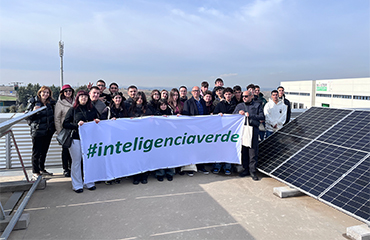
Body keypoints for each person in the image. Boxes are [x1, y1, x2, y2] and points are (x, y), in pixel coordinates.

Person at [63, 90, 100, 193]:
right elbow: (65, 124)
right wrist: (77, 125)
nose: (83, 98)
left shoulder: (92, 109)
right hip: (76, 139)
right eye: (81, 96)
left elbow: (98, 119)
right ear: (78, 98)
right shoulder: (73, 110)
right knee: (76, 161)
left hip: (89, 139)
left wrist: (96, 121)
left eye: (85, 96)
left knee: (88, 161)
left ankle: (89, 182)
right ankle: (77, 184)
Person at [26, 86, 56, 181]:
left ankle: (42, 169)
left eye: (47, 93)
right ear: (40, 93)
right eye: (44, 92)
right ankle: (35, 171)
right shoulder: (33, 102)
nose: (46, 94)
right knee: (36, 152)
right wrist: (34, 112)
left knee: (44, 151)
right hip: (38, 132)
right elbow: (27, 116)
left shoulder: (50, 103)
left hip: (48, 131)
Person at [233, 90, 264, 181]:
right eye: (243, 96)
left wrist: (250, 115)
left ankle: (252, 171)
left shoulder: (257, 105)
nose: (244, 98)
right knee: (244, 151)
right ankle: (245, 169)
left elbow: (262, 117)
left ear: (251, 96)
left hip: (253, 130)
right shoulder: (240, 106)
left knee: (253, 152)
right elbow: (233, 115)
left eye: (246, 96)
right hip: (242, 131)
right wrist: (238, 113)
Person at [183, 86, 209, 175]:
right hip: (192, 129)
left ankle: (201, 166)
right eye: (194, 91)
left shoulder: (202, 102)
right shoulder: (188, 102)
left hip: (202, 129)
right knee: (192, 149)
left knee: (201, 148)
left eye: (198, 91)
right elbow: (186, 116)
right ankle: (190, 168)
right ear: (192, 92)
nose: (196, 92)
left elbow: (206, 114)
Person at [128, 91, 153, 184]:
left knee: (145, 157)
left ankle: (144, 176)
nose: (139, 100)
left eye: (141, 99)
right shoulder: (131, 109)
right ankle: (136, 176)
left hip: (145, 137)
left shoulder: (148, 109)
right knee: (135, 157)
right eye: (138, 98)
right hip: (134, 137)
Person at [212, 87, 236, 175]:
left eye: (229, 94)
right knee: (220, 149)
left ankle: (228, 167)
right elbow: (214, 115)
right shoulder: (219, 104)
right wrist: (218, 115)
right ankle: (217, 166)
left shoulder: (235, 105)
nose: (228, 96)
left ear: (232, 95)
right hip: (221, 131)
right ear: (224, 95)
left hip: (231, 131)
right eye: (226, 94)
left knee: (229, 149)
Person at [54, 84, 75, 177]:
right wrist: (59, 132)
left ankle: (73, 167)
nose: (68, 93)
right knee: (65, 150)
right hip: (65, 130)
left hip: (74, 129)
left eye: (69, 91)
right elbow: (57, 119)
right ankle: (66, 168)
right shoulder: (60, 103)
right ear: (62, 93)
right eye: (66, 91)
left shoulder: (75, 102)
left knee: (74, 150)